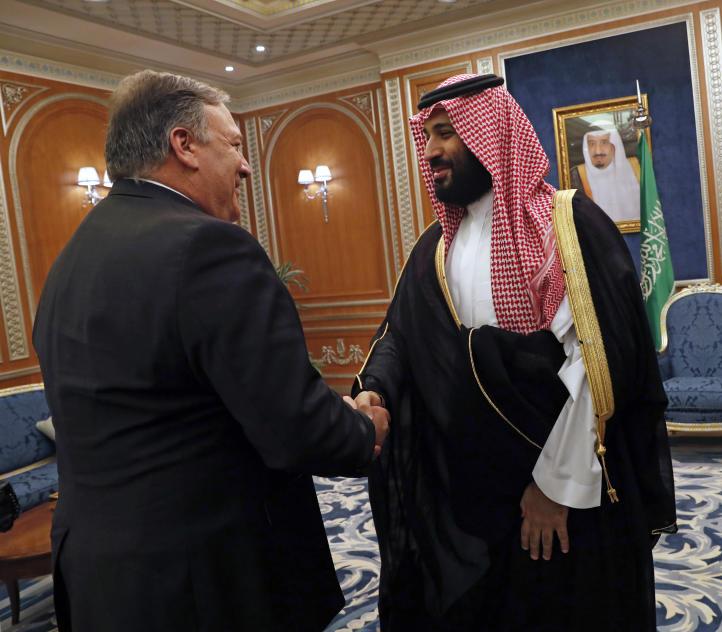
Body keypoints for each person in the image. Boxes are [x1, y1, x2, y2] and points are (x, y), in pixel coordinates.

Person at [32, 70, 389, 632]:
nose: (246, 166)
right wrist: (364, 429)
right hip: (205, 585)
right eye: (235, 146)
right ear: (184, 146)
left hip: (99, 579)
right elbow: (295, 429)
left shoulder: (72, 256)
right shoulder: (208, 247)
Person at [353, 73, 676, 631]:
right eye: (426, 137)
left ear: (490, 135)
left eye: (445, 133)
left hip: (553, 477)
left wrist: (554, 487)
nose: (430, 151)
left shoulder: (569, 227)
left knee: (559, 606)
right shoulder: (434, 245)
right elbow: (401, 336)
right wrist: (375, 390)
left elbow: (596, 368)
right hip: (469, 480)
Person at [569, 120, 643, 222]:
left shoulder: (636, 168)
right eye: (592, 144)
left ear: (614, 146)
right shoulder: (576, 175)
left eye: (604, 142)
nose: (598, 151)